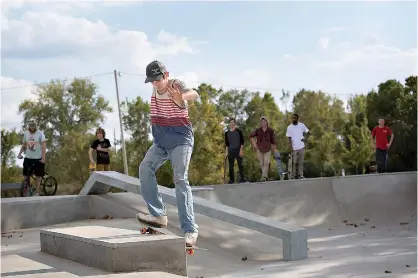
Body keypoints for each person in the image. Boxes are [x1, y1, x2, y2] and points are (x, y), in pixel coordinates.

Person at [136, 60, 200, 246]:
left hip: (181, 141)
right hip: (161, 142)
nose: (156, 84)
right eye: (152, 81)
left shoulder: (175, 85)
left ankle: (190, 230)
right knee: (145, 168)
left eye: (158, 79)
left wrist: (182, 98)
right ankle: (158, 215)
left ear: (166, 75)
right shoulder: (155, 87)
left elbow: (195, 94)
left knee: (180, 178)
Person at [17, 120, 46, 196]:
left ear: (35, 126)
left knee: (38, 176)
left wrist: (43, 158)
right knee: (26, 175)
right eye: (31, 126)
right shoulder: (26, 134)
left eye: (33, 126)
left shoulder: (40, 134)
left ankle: (37, 192)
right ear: (29, 126)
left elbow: (43, 147)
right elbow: (23, 145)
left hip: (38, 159)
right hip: (28, 158)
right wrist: (19, 154)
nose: (32, 128)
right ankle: (27, 189)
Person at [249, 116, 277, 181]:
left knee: (266, 162)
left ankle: (263, 177)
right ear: (260, 123)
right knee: (262, 163)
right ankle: (265, 177)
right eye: (262, 121)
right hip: (259, 149)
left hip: (268, 149)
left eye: (264, 121)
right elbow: (251, 136)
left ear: (267, 122)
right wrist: (254, 144)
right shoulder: (257, 130)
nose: (263, 122)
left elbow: (273, 140)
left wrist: (274, 148)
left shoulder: (270, 130)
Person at [286, 113, 309, 179]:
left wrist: (305, 139)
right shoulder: (289, 127)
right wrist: (290, 147)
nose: (293, 119)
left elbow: (308, 132)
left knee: (301, 162)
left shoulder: (301, 125)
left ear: (297, 118)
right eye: (292, 118)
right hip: (294, 147)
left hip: (301, 146)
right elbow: (289, 138)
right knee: (294, 162)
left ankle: (300, 175)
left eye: (294, 118)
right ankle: (293, 175)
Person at [224, 118, 246, 184]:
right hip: (230, 150)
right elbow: (227, 144)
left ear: (235, 124)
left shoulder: (239, 131)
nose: (232, 123)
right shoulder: (226, 133)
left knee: (240, 165)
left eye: (233, 122)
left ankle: (242, 179)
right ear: (229, 124)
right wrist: (226, 152)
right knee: (231, 166)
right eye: (230, 122)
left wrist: (241, 150)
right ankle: (231, 180)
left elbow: (242, 142)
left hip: (238, 150)